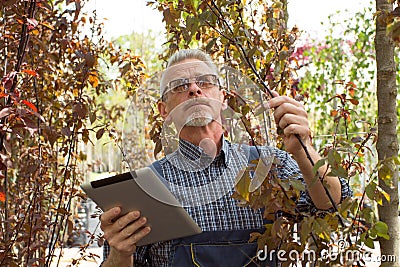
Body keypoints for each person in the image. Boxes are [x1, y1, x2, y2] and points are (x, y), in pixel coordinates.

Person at [99, 49, 352, 267]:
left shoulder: (270, 166)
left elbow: (332, 204)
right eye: (180, 86)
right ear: (164, 110)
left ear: (222, 98)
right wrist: (120, 254)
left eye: (205, 82)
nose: (194, 89)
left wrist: (303, 149)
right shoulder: (145, 190)